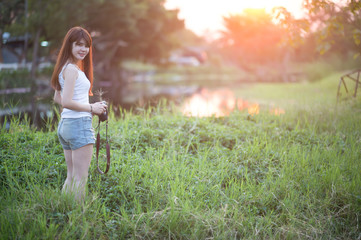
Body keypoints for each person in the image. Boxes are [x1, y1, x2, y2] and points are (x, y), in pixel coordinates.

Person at [51, 26, 107, 201]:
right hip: (78, 125)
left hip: (66, 126)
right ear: (70, 45)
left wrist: (91, 106)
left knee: (72, 176)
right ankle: (77, 218)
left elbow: (57, 97)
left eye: (87, 45)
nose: (83, 49)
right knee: (81, 179)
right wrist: (92, 108)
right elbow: (66, 101)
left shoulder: (66, 67)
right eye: (79, 45)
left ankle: (64, 211)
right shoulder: (72, 70)